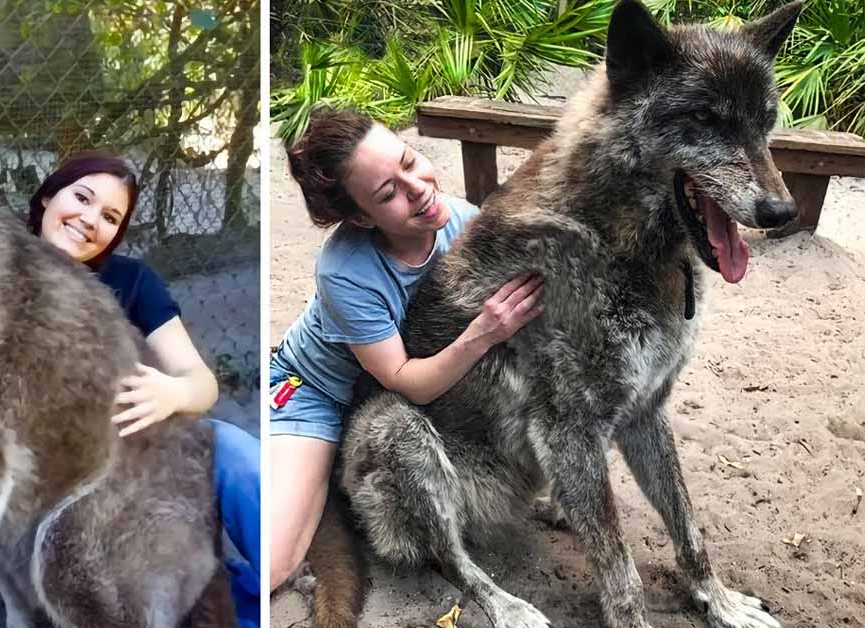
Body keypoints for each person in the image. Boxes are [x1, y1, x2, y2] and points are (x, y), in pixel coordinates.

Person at [269, 109, 545, 590]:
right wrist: (486, 330)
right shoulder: (345, 270)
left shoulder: (461, 220)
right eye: (387, 193)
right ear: (360, 216)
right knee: (277, 561)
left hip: (393, 396)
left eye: (409, 161)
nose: (416, 187)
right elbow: (405, 380)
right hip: (317, 390)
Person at [28, 151, 260, 628]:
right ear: (48, 195)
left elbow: (201, 383)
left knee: (235, 451)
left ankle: (273, 581)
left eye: (110, 217)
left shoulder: (131, 281)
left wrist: (171, 394)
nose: (91, 220)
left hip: (142, 449)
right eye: (82, 198)